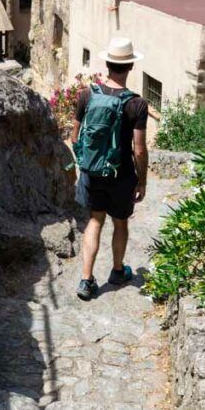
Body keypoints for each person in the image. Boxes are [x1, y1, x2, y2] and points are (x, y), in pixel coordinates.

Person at [71, 36, 148, 301]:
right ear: (131, 67)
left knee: (94, 220)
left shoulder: (87, 95)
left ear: (107, 64)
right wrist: (142, 181)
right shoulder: (137, 104)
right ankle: (117, 271)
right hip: (121, 173)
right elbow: (139, 149)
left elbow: (74, 136)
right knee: (120, 222)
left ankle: (86, 279)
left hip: (92, 171)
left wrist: (85, 161)